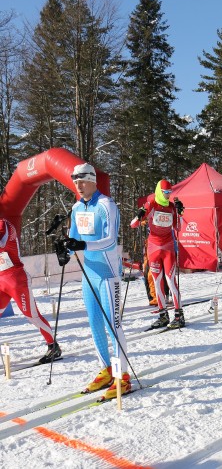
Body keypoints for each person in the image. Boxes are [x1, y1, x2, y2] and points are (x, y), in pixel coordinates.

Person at [59, 162, 128, 400]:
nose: (78, 185)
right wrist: (65, 250)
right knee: (94, 323)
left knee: (113, 325)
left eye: (82, 181)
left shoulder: (106, 205)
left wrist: (82, 245)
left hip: (108, 273)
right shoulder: (77, 207)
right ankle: (107, 370)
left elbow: (110, 240)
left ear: (93, 181)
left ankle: (123, 377)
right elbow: (74, 238)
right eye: (75, 182)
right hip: (90, 273)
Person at [0, 218, 62, 364]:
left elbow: (2, 244)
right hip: (1, 281)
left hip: (16, 280)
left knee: (32, 316)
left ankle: (53, 346)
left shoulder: (4, 224)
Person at [130, 179, 184, 329]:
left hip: (167, 248)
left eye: (170, 193)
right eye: (165, 193)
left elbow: (178, 228)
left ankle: (179, 315)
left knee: (171, 280)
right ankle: (163, 315)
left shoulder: (172, 207)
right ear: (159, 192)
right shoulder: (151, 204)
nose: (168, 195)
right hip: (153, 248)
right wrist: (139, 214)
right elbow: (133, 224)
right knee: (157, 282)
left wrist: (180, 213)